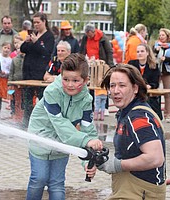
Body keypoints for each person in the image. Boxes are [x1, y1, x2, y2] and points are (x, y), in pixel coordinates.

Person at [26, 53, 103, 200]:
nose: (70, 84)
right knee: (38, 180)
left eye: (75, 80)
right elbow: (61, 125)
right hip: (40, 142)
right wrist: (85, 141)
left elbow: (88, 129)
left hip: (63, 146)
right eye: (65, 79)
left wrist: (88, 160)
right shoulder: (51, 92)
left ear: (86, 80)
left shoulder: (86, 100)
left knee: (57, 184)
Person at [98, 64, 166, 199]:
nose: (115, 91)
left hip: (140, 190)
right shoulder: (126, 113)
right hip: (130, 188)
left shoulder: (138, 118)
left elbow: (155, 158)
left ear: (135, 88)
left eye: (122, 86)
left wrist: (118, 165)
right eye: (112, 86)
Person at [20, 12, 55, 128]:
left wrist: (36, 42)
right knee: (27, 100)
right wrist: (27, 41)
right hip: (28, 72)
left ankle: (42, 124)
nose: (35, 25)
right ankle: (26, 122)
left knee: (42, 99)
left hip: (40, 73)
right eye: (34, 22)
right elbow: (23, 49)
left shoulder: (49, 36)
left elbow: (46, 53)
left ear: (44, 22)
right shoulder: (34, 34)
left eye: (38, 22)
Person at [79, 23, 114, 116]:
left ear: (93, 32)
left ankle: (105, 107)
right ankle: (92, 106)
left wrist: (110, 65)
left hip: (102, 64)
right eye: (87, 34)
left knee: (102, 84)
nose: (88, 36)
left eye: (89, 34)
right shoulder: (85, 38)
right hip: (91, 63)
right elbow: (82, 50)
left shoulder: (103, 38)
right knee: (90, 83)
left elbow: (109, 51)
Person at [128, 43, 162, 119]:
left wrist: (150, 86)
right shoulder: (131, 64)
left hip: (148, 92)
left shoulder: (154, 66)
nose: (139, 53)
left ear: (147, 53)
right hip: (134, 91)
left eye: (142, 51)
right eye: (138, 52)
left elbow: (155, 83)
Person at [154, 28, 170, 123]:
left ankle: (168, 114)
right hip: (157, 71)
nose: (161, 37)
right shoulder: (156, 46)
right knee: (155, 93)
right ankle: (156, 113)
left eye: (163, 35)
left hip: (167, 72)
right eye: (160, 35)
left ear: (168, 36)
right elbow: (151, 57)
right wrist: (156, 51)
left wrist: (167, 59)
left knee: (166, 93)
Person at [0, 42, 12, 118]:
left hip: (4, 80)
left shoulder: (10, 60)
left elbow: (10, 70)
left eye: (8, 48)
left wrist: (5, 73)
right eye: (5, 48)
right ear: (2, 48)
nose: (6, 50)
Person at [8, 35, 25, 115]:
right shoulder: (14, 60)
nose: (20, 50)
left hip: (24, 83)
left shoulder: (27, 59)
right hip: (14, 82)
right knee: (13, 97)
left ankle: (22, 112)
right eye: (18, 49)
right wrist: (9, 83)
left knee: (23, 98)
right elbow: (11, 72)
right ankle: (13, 112)